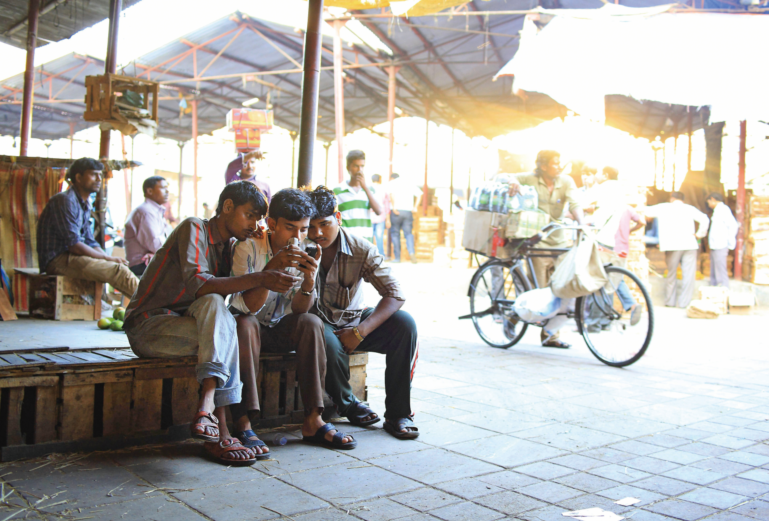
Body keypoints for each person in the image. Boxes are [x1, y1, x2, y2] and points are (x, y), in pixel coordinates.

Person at [124, 181, 299, 465]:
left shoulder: (231, 246)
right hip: (149, 328)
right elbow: (199, 283)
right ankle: (222, 430)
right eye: (249, 215)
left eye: (258, 219)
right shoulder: (194, 228)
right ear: (227, 207)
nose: (254, 224)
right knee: (218, 312)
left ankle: (208, 411)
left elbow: (225, 300)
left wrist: (255, 247)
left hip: (192, 330)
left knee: (219, 311)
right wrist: (261, 278)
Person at [229, 188, 357, 451]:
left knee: (311, 323)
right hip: (248, 332)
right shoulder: (248, 247)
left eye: (303, 229)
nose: (297, 237)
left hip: (278, 329)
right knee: (245, 323)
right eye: (290, 228)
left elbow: (300, 310)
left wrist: (308, 283)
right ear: (272, 224)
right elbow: (247, 307)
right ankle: (243, 422)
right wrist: (273, 268)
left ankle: (313, 420)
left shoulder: (307, 251)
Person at [307, 186, 419, 440]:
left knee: (405, 324)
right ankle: (348, 404)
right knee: (324, 336)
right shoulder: (301, 247)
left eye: (324, 224)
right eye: (311, 227)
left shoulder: (361, 248)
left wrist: (360, 331)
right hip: (316, 324)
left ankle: (398, 414)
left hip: (353, 320)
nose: (317, 233)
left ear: (338, 218)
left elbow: (395, 294)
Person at [507, 150, 583, 348]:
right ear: (543, 166)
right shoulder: (530, 179)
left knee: (561, 289)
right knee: (540, 293)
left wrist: (581, 223)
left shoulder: (566, 181)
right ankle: (513, 317)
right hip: (537, 242)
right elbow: (509, 177)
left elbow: (574, 203)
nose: (559, 166)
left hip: (559, 242)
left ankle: (551, 336)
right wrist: (512, 182)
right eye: (555, 163)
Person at [37, 157, 139, 300]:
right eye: (93, 174)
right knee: (118, 271)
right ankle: (154, 306)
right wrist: (107, 258)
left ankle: (150, 306)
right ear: (78, 178)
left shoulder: (84, 203)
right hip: (57, 261)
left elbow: (90, 241)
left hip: (73, 258)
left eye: (100, 175)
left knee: (117, 267)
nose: (99, 179)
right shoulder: (65, 200)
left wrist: (108, 258)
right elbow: (74, 245)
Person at [588, 167, 645, 329]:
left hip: (606, 245)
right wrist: (629, 231)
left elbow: (587, 207)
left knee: (601, 281)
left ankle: (596, 322)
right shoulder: (627, 208)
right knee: (614, 280)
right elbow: (642, 222)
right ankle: (624, 309)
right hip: (622, 248)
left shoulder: (604, 197)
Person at [645, 192, 709, 308]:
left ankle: (670, 301)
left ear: (672, 199)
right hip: (689, 244)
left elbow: (645, 211)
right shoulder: (689, 208)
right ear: (683, 200)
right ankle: (684, 303)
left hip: (672, 245)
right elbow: (705, 219)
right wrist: (699, 234)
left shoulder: (664, 207)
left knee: (671, 274)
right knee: (688, 275)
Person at [124, 176, 171, 277]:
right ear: (149, 191)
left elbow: (169, 238)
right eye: (163, 188)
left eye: (167, 188)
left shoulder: (156, 211)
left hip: (150, 262)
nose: (167, 191)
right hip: (140, 265)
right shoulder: (146, 212)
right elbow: (156, 245)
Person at [333, 150, 382, 241]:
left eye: (362, 166)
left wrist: (365, 188)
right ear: (348, 168)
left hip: (366, 242)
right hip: (346, 241)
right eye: (356, 166)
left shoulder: (370, 190)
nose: (360, 170)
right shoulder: (337, 191)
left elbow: (379, 211)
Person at [706, 192, 738, 288]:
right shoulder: (717, 210)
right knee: (714, 268)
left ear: (713, 199)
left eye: (708, 202)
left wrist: (730, 242)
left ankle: (724, 288)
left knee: (720, 268)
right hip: (715, 245)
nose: (709, 204)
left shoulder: (724, 210)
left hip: (721, 244)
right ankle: (715, 286)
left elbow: (733, 226)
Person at [388, 173, 421, 263]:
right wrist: (415, 207)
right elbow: (419, 195)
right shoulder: (409, 183)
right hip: (407, 212)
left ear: (392, 178)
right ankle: (411, 253)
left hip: (396, 211)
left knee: (395, 234)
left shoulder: (392, 183)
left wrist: (394, 207)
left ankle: (397, 258)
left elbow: (391, 195)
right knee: (408, 234)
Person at [370, 174, 390, 256]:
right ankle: (381, 255)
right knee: (379, 237)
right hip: (380, 216)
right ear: (380, 179)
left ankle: (369, 255)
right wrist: (388, 219)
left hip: (370, 216)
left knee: (369, 237)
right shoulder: (383, 189)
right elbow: (387, 205)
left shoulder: (368, 189)